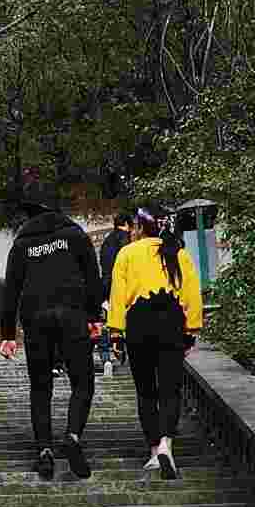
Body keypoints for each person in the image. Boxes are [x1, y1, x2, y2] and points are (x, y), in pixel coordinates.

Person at [0, 195, 103, 480]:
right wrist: (95, 316)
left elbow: (11, 291)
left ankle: (44, 450)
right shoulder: (75, 236)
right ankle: (72, 436)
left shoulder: (21, 245)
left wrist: (8, 334)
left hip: (36, 320)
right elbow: (93, 278)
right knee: (82, 382)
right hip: (72, 316)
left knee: (40, 387)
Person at [106, 201, 203, 480]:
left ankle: (152, 451)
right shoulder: (177, 252)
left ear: (138, 227)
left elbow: (117, 295)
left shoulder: (127, 253)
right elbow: (191, 293)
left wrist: (115, 332)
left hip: (139, 323)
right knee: (170, 389)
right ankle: (166, 445)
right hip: (171, 322)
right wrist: (191, 330)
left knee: (146, 391)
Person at [97, 209, 133, 374]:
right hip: (121, 285)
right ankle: (121, 350)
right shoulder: (125, 239)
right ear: (126, 224)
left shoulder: (107, 240)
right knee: (126, 319)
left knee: (108, 321)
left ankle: (107, 356)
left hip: (106, 286)